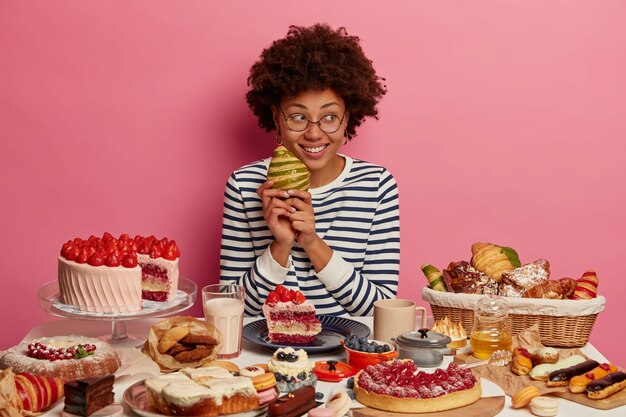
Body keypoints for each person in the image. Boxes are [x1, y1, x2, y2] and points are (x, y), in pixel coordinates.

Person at [220, 23, 399, 316]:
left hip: (347, 357)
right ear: (277, 117)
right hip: (264, 357)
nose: (314, 134)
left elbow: (379, 310)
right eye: (298, 117)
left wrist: (312, 242)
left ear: (347, 119)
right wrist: (281, 245)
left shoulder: (377, 185)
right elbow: (229, 308)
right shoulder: (244, 184)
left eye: (329, 117)